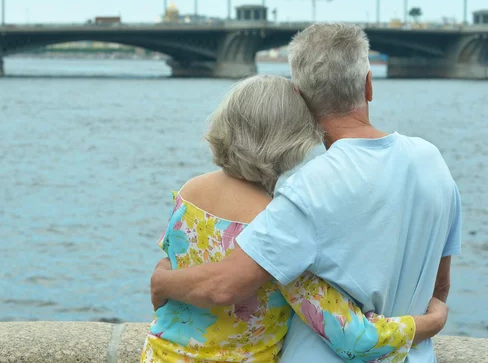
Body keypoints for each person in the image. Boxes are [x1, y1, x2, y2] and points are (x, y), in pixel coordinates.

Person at [150, 24, 460, 363]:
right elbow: (438, 287)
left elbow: (224, 284)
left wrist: (161, 283)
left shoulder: (306, 189)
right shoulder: (433, 162)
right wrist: (431, 322)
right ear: (369, 84)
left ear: (300, 97)